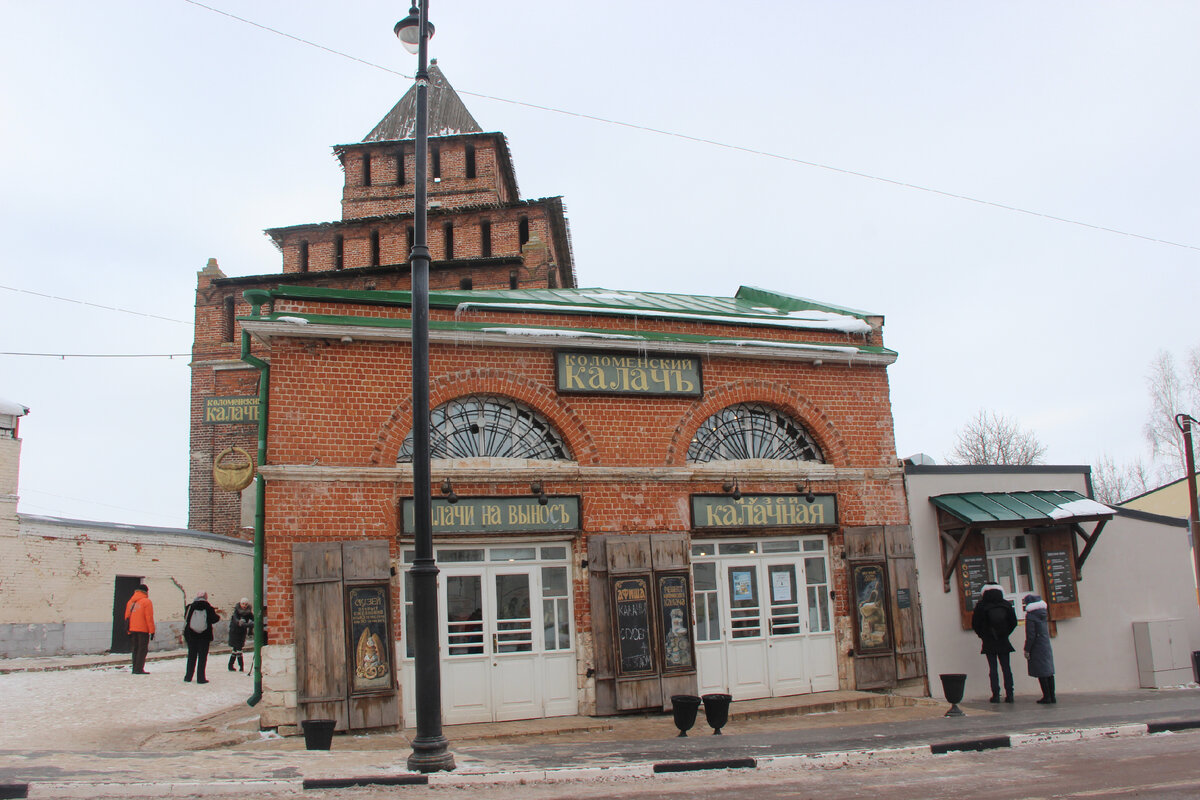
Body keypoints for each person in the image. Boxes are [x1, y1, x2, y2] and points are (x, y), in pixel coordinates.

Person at [971, 583, 1018, 703]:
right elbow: (1013, 622)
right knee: (1006, 668)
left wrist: (983, 635)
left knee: (993, 669)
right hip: (1003, 640)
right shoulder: (1006, 604)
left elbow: (975, 624)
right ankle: (1010, 694)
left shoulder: (981, 605)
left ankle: (996, 694)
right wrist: (1005, 633)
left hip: (989, 640)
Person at [1023, 593, 1056, 704]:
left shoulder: (1031, 616)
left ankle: (1046, 696)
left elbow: (1030, 635)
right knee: (1049, 671)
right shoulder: (1043, 613)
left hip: (1037, 647)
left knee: (1042, 672)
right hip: (1045, 645)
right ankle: (1052, 696)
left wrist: (1027, 649)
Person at [183, 591, 220, 684]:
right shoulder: (208, 607)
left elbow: (186, 618)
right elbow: (214, 619)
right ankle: (201, 678)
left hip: (191, 636)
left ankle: (188, 677)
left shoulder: (190, 607)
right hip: (204, 636)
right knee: (202, 657)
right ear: (205, 597)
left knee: (191, 656)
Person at [123, 583, 155, 675]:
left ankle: (135, 668)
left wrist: (128, 630)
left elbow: (126, 617)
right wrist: (152, 631)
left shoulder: (130, 602)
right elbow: (148, 617)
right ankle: (139, 669)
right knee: (142, 650)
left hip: (132, 629)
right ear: (146, 591)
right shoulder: (146, 602)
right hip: (143, 630)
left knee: (135, 649)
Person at [227, 597, 253, 672]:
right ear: (240, 604)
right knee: (238, 649)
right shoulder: (236, 611)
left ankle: (231, 665)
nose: (244, 605)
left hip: (242, 632)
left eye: (246, 604)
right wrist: (242, 623)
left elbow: (252, 619)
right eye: (243, 604)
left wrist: (250, 624)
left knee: (236, 649)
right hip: (235, 632)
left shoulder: (248, 612)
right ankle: (241, 666)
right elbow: (236, 621)